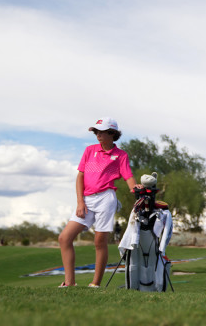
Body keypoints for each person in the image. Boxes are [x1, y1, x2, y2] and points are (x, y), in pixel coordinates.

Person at [58, 117, 139, 288]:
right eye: (96, 131)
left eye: (102, 131)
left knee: (99, 242)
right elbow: (80, 176)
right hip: (86, 199)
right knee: (64, 238)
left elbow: (128, 176)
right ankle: (69, 283)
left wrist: (135, 189)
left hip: (106, 199)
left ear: (112, 133)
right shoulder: (89, 150)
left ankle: (95, 284)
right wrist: (80, 202)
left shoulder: (120, 155)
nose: (98, 135)